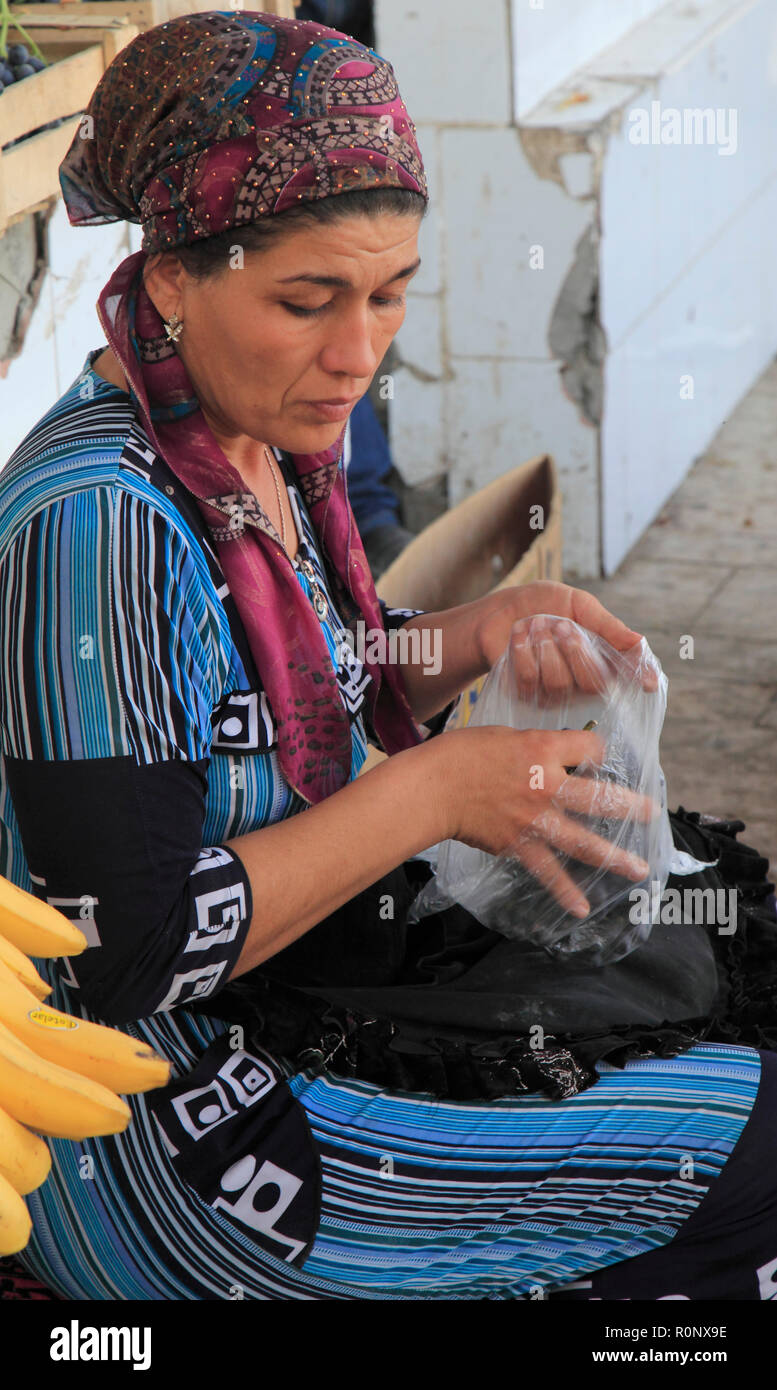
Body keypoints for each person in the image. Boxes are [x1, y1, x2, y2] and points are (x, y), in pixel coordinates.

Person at [1, 11, 775, 1301]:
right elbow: (123, 953)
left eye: (390, 293)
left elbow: (296, 687)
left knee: (714, 959)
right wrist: (432, 790)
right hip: (173, 1141)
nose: (358, 355)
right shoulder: (102, 528)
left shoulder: (247, 440)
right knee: (744, 1143)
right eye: (306, 301)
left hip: (302, 988)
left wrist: (459, 643)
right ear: (176, 277)